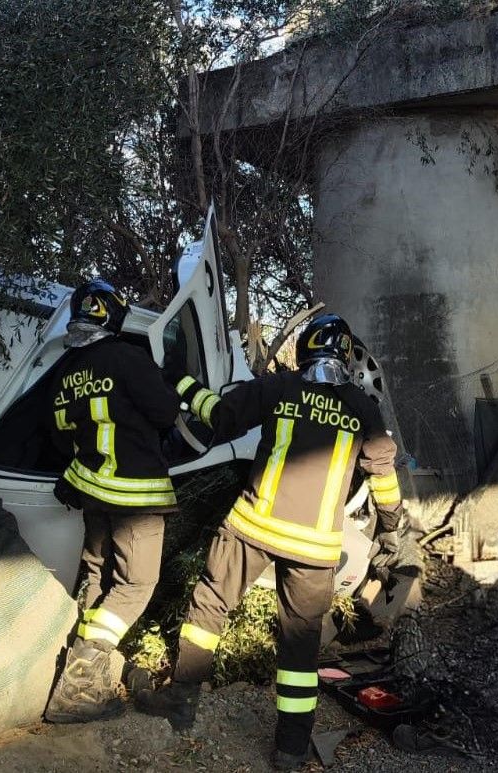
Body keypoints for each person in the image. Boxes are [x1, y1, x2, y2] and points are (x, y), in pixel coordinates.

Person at [136, 313, 406, 770]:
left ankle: (182, 700)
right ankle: (291, 748)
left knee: (210, 606)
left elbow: (219, 415)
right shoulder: (362, 407)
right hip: (315, 548)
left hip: (253, 529)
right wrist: (391, 525)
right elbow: (382, 471)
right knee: (300, 644)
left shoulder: (279, 388)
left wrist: (180, 380)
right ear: (345, 358)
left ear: (304, 349)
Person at [43, 279, 181, 724]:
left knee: (97, 578)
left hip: (94, 493)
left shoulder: (65, 371)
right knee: (135, 586)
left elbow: (59, 434)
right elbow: (165, 412)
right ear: (115, 316)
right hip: (135, 496)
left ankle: (82, 671)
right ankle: (79, 686)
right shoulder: (126, 357)